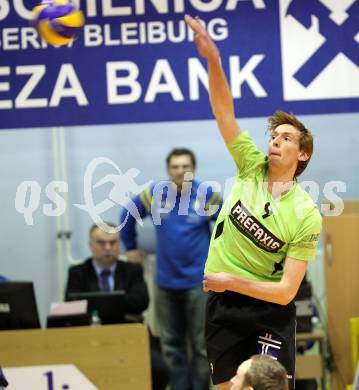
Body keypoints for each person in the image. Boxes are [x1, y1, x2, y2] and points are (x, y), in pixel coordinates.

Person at [184, 15, 322, 390]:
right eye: (274, 135)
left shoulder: (306, 213)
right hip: (224, 308)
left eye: (287, 137)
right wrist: (213, 60)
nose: (275, 141)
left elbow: (286, 292)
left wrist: (231, 279)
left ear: (303, 153)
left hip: (268, 311)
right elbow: (223, 111)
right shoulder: (250, 166)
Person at [120, 147, 222, 390]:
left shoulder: (207, 195)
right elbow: (127, 214)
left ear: (193, 169)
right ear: (168, 170)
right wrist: (130, 247)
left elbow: (227, 227)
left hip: (200, 283)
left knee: (200, 346)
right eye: (175, 167)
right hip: (165, 284)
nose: (180, 171)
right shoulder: (154, 194)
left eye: (185, 166)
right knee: (171, 345)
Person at [65, 223, 169, 390]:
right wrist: (121, 307)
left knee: (159, 370)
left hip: (130, 336)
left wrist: (98, 304)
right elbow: (72, 305)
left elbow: (141, 302)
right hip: (90, 338)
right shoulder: (77, 272)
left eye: (113, 242)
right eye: (101, 242)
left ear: (119, 245)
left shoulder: (132, 269)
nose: (108, 247)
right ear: (90, 246)